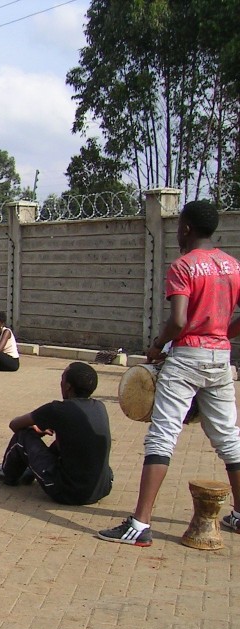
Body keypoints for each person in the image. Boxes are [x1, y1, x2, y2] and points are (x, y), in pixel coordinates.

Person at [100, 200, 240, 546]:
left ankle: (140, 524)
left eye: (179, 226)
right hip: (221, 358)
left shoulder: (183, 266)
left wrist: (158, 345)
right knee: (228, 438)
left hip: (187, 357)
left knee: (162, 436)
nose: (177, 231)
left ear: (187, 229)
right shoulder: (232, 266)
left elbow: (178, 320)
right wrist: (222, 334)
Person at [0, 362, 113, 506]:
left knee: (23, 435)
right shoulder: (100, 407)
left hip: (68, 493)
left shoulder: (57, 409)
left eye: (62, 379)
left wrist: (35, 429)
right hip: (102, 487)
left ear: (68, 386)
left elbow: (15, 425)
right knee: (66, 443)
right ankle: (29, 471)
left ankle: (7, 473)